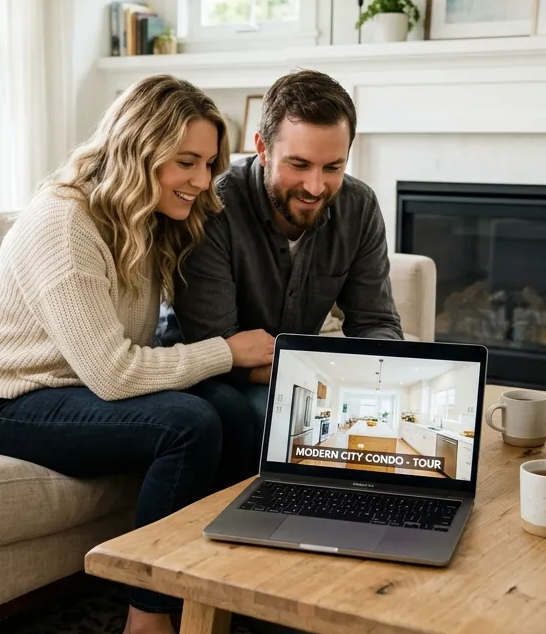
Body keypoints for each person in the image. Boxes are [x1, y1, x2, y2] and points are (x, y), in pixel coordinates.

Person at [0, 74, 276, 634]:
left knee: (228, 410)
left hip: (72, 385)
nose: (202, 181)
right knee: (188, 424)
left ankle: (203, 609)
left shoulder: (147, 214)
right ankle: (145, 633)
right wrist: (230, 353)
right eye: (186, 162)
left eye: (208, 163)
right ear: (138, 148)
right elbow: (114, 375)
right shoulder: (65, 224)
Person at [162, 68, 403, 402]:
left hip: (293, 373)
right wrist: (329, 377)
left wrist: (377, 376)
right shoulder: (213, 206)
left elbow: (376, 323)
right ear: (262, 148)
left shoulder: (358, 207)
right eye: (299, 165)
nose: (315, 187)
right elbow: (217, 349)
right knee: (275, 422)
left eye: (333, 167)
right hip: (212, 378)